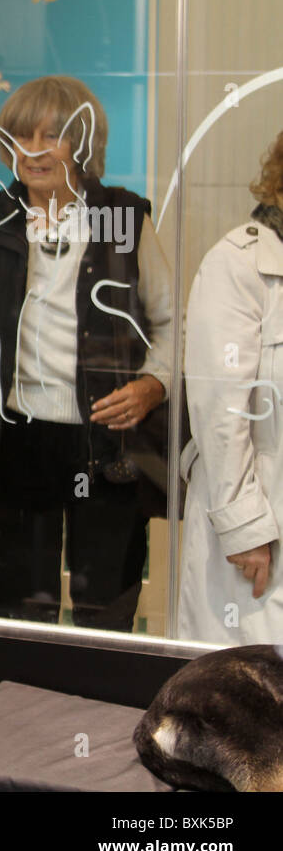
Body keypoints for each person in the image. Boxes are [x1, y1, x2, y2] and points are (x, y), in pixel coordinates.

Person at [0, 75, 174, 631]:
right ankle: (19, 709)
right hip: (16, 440)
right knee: (21, 606)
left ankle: (99, 715)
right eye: (20, 138)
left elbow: (173, 322)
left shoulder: (126, 220)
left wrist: (153, 384)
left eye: (51, 137)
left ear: (83, 146)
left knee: (104, 606)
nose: (33, 151)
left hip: (107, 441)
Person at [179, 129, 283, 644]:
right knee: (240, 704)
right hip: (259, 537)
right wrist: (245, 530)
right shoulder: (239, 264)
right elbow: (220, 411)